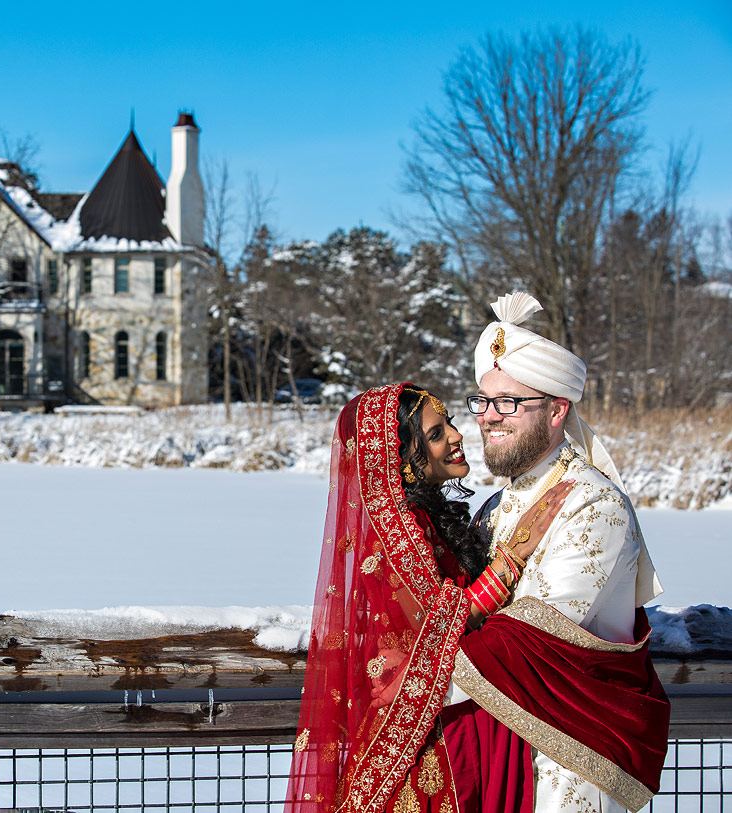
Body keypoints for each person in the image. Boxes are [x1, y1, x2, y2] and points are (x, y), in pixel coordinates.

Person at [286, 382, 572, 812]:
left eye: (450, 424)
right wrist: (513, 558)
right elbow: (442, 623)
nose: (457, 436)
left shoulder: (424, 516)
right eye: (436, 434)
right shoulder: (398, 528)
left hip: (452, 722)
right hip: (427, 747)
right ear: (399, 461)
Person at [455, 291, 669, 811]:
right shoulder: (492, 508)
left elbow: (529, 638)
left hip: (572, 763)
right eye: (482, 401)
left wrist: (408, 679)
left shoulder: (595, 505)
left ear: (556, 410)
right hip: (498, 749)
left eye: (509, 402)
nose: (488, 417)